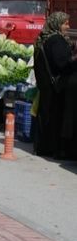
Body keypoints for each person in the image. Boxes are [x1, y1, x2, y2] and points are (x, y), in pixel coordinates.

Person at [34, 12, 77, 157]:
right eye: (65, 24)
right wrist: (74, 60)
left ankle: (44, 147)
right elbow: (62, 64)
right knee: (55, 118)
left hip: (47, 87)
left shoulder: (44, 38)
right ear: (57, 24)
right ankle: (55, 149)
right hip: (55, 89)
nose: (68, 27)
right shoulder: (56, 40)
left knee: (47, 117)